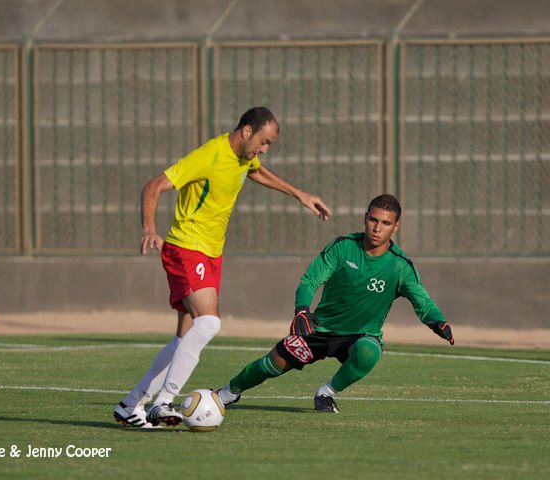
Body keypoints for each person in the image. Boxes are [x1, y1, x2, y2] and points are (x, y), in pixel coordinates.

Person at [113, 106, 332, 428]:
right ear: (246, 131)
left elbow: (256, 170)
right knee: (209, 324)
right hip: (188, 248)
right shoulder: (209, 155)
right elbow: (153, 186)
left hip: (210, 253)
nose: (264, 149)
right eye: (264, 141)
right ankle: (163, 402)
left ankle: (130, 406)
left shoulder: (243, 158)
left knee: (184, 336)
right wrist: (149, 229)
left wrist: (300, 194)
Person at [215, 194, 455, 413]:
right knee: (271, 365)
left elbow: (422, 301)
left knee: (369, 352)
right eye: (373, 220)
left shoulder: (400, 266)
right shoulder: (343, 247)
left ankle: (326, 394)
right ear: (365, 218)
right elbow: (310, 280)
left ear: (396, 226)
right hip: (319, 329)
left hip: (360, 335)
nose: (377, 228)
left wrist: (438, 321)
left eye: (385, 223)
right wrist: (302, 310)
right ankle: (227, 393)